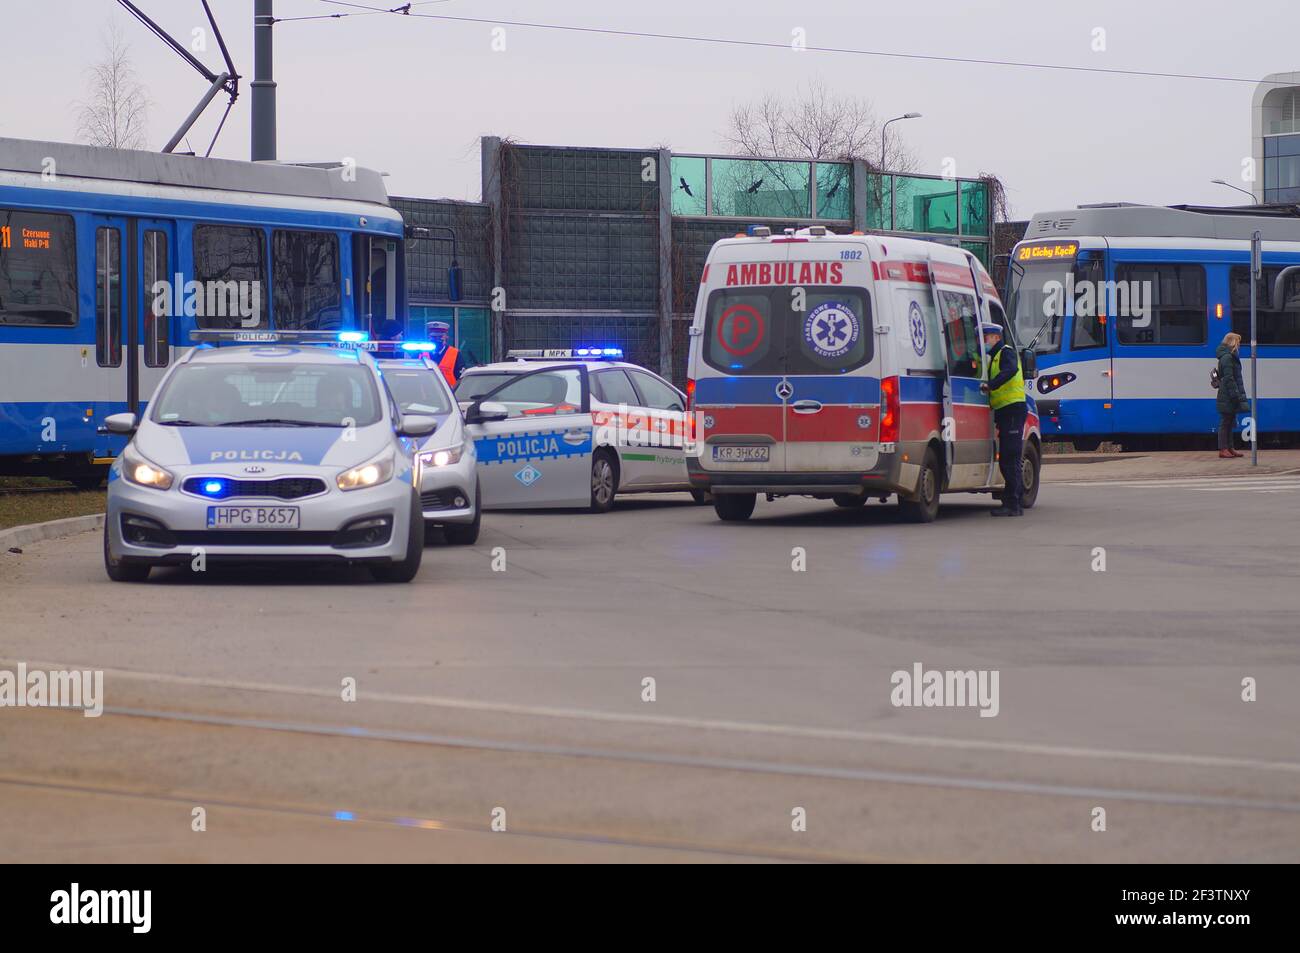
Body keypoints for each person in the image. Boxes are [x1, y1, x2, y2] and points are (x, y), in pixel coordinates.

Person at [978, 323, 1027, 517]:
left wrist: (991, 385)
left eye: (986, 337)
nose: (984, 342)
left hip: (1013, 410)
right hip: (1006, 412)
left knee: (1010, 457)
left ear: (996, 337)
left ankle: (1013, 504)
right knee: (1007, 458)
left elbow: (1011, 370)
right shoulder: (994, 358)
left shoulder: (1006, 352)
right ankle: (1012, 502)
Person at [1216, 331, 1249, 459]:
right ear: (1233, 342)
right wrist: (1235, 394)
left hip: (1228, 393)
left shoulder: (1227, 356)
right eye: (1238, 342)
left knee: (1230, 421)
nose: (1239, 345)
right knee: (1226, 422)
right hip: (1228, 394)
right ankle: (1223, 449)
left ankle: (1229, 448)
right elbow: (1229, 378)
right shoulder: (1228, 357)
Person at [427, 320, 468, 387]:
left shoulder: (455, 354)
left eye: (440, 337)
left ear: (446, 337)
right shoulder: (421, 353)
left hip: (448, 394)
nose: (437, 340)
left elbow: (461, 378)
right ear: (429, 338)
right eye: (434, 337)